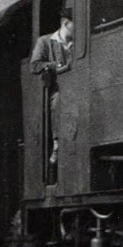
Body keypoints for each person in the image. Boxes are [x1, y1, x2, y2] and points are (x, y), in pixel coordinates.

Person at [31, 11, 74, 174]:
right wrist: (55, 65)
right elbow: (34, 65)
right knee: (58, 100)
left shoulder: (77, 42)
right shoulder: (45, 42)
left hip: (77, 83)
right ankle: (57, 143)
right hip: (58, 86)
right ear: (65, 23)